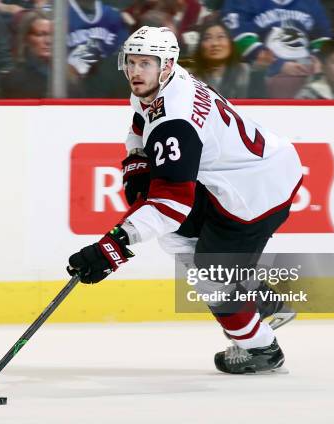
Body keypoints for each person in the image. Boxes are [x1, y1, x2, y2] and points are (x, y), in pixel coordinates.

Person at [67, 26, 303, 374]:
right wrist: (136, 161)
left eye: (145, 63)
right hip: (238, 177)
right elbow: (139, 121)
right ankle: (260, 300)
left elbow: (169, 206)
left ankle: (261, 348)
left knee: (211, 277)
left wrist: (111, 248)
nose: (135, 72)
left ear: (166, 64)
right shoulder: (162, 83)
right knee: (177, 238)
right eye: (131, 62)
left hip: (258, 192)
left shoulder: (175, 121)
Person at [221, 0, 333, 78]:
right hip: (261, 75)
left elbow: (324, 37)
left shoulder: (310, 3)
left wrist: (318, 59)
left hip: (307, 71)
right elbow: (240, 38)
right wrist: (278, 65)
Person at [190, 19, 266, 98]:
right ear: (201, 47)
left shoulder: (249, 74)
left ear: (230, 44)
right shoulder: (190, 80)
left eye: (221, 37)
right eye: (208, 38)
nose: (215, 43)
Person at [2, 9, 51, 97]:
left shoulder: (67, 76)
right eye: (40, 34)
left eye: (52, 35)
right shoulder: (14, 80)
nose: (48, 41)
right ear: (25, 39)